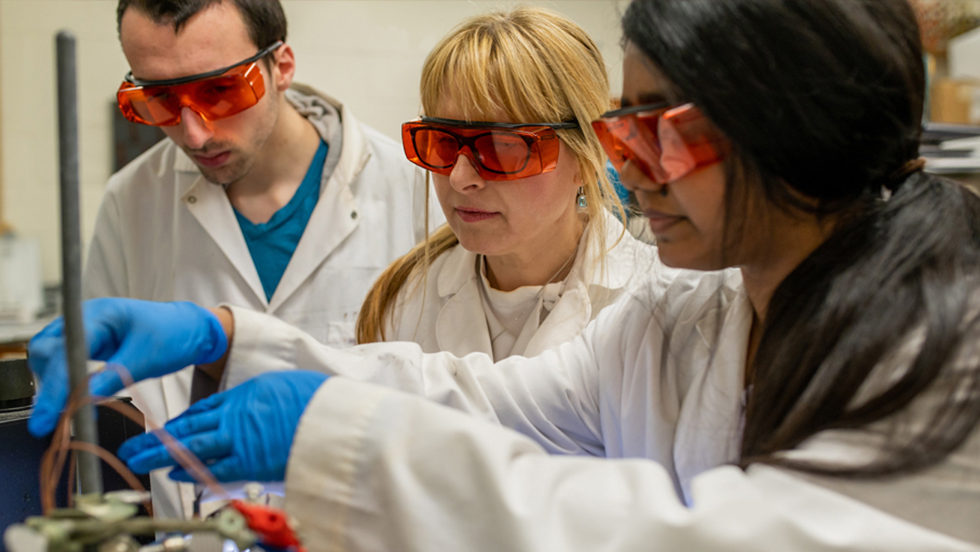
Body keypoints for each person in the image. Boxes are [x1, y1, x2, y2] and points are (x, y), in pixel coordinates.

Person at [29, 0, 980, 549]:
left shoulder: (941, 346)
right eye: (625, 127)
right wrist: (232, 342)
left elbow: (693, 535)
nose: (630, 165)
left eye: (661, 128)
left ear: (791, 130)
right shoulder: (685, 320)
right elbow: (481, 398)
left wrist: (343, 446)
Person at [82, 0, 440, 519]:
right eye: (158, 98)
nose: (194, 133)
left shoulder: (412, 190)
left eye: (220, 92)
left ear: (282, 67)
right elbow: (102, 396)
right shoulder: (131, 202)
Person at [356, 8, 649, 360]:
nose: (460, 178)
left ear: (588, 157)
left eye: (502, 148)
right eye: (444, 142)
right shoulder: (403, 299)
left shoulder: (655, 302)